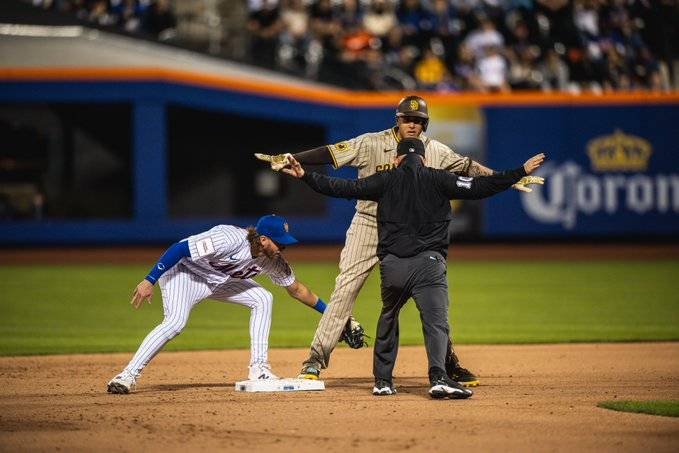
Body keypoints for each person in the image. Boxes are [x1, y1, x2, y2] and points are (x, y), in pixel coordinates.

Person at [255, 95, 544, 385]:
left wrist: (509, 178)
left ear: (425, 123)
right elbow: (332, 154)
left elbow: (468, 168)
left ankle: (447, 363)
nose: (413, 124)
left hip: (408, 229)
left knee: (432, 299)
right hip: (368, 223)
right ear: (398, 119)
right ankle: (315, 361)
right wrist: (295, 159)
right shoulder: (370, 143)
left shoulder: (435, 150)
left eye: (419, 120)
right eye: (408, 118)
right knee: (345, 288)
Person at [107, 214, 328, 394]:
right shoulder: (229, 238)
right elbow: (180, 248)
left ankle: (259, 368)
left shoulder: (272, 261)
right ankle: (127, 375)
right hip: (185, 275)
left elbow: (298, 290)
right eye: (279, 242)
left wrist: (333, 314)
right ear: (262, 239)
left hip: (218, 282)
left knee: (263, 298)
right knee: (175, 322)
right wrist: (150, 279)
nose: (283, 247)